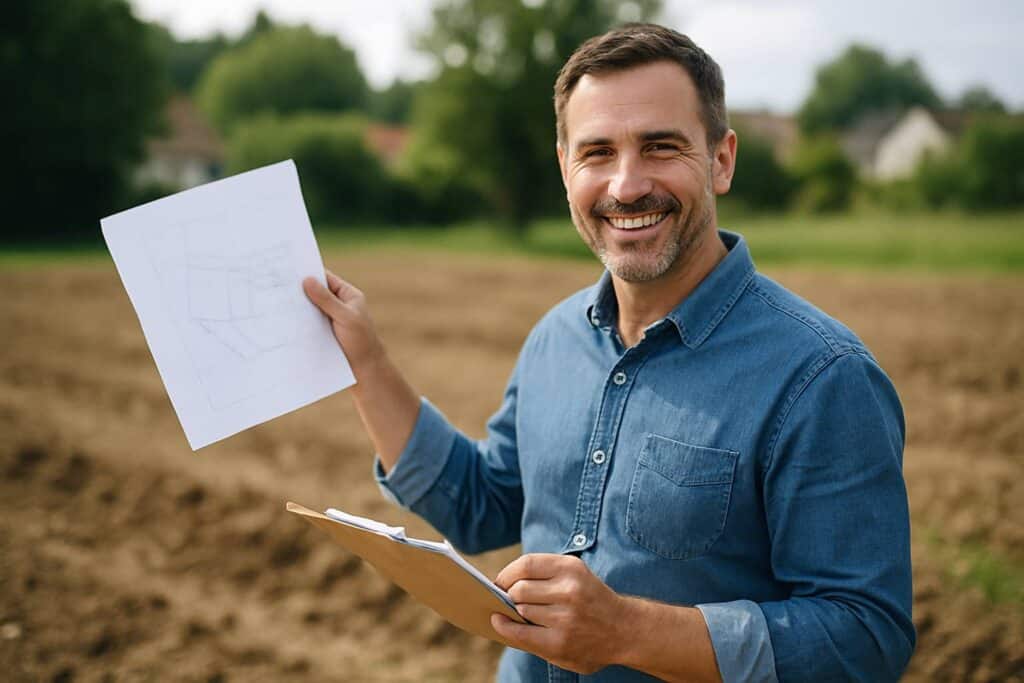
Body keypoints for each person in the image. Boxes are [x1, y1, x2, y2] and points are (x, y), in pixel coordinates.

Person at [303, 23, 915, 683]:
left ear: (722, 159)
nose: (626, 185)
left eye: (660, 146)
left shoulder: (822, 375)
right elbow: (481, 506)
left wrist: (628, 631)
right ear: (566, 167)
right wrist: (364, 364)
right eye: (597, 152)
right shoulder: (554, 340)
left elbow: (865, 637)